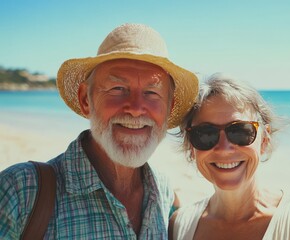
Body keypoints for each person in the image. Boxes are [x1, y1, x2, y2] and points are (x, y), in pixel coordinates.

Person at [0, 23, 198, 239]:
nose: (135, 109)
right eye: (118, 89)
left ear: (169, 108)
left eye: (151, 92)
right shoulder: (19, 192)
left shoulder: (164, 194)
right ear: (86, 100)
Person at [169, 74, 290, 240]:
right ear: (191, 147)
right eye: (205, 134)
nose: (224, 149)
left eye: (240, 131)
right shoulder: (178, 226)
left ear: (264, 140)